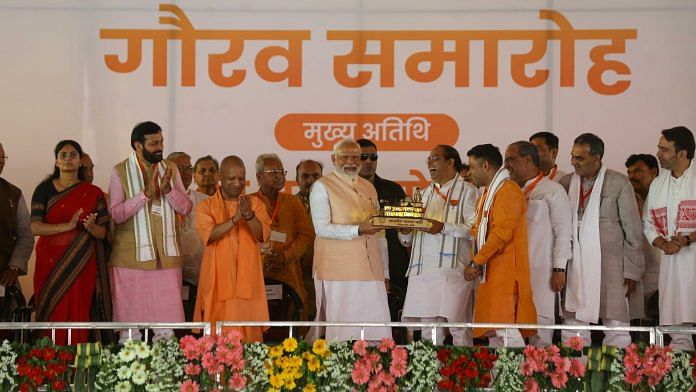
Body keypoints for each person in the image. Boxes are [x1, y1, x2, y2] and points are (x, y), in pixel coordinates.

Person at [558, 133, 645, 348]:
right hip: (575, 265)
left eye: (579, 158)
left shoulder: (618, 183)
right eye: (572, 156)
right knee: (573, 324)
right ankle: (574, 376)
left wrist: (632, 271)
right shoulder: (567, 182)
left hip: (611, 267)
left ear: (597, 159)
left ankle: (616, 378)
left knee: (616, 325)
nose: (573, 162)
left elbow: (633, 231)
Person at [108, 121, 192, 343]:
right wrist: (144, 195)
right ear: (138, 145)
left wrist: (169, 192)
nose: (159, 147)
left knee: (166, 330)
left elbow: (186, 207)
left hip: (165, 258)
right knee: (130, 333)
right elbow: (116, 214)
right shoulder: (120, 171)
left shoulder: (170, 169)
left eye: (161, 142)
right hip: (130, 261)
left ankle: (164, 374)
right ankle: (130, 374)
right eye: (154, 143)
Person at [307, 139, 391, 342]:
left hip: (372, 271)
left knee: (377, 332)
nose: (351, 161)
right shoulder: (322, 186)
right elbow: (321, 228)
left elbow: (379, 233)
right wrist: (357, 229)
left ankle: (376, 372)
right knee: (344, 334)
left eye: (355, 156)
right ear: (333, 158)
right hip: (339, 271)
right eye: (345, 156)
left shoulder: (369, 187)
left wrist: (385, 272)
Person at [398, 145, 478, 346]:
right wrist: (405, 231)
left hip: (454, 272)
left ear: (451, 162)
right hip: (424, 272)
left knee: (458, 326)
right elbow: (408, 240)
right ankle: (430, 375)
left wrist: (443, 227)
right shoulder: (423, 194)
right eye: (428, 160)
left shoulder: (469, 192)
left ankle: (463, 373)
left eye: (435, 159)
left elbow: (474, 230)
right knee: (428, 329)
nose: (429, 164)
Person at [30, 140, 109, 345]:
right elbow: (35, 227)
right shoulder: (44, 189)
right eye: (63, 155)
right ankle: (49, 365)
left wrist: (91, 227)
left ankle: (77, 366)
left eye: (73, 155)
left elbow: (105, 233)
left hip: (81, 264)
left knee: (79, 310)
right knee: (50, 309)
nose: (67, 159)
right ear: (56, 161)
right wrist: (68, 225)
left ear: (79, 161)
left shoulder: (93, 192)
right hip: (50, 263)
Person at [464, 144, 537, 347]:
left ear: (485, 165)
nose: (469, 173)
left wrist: (476, 261)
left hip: (506, 276)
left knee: (507, 332)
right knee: (496, 334)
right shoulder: (489, 194)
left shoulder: (508, 191)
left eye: (472, 167)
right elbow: (480, 232)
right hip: (493, 274)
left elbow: (501, 233)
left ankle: (516, 378)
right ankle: (501, 378)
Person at [194, 156, 271, 341]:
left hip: (248, 279)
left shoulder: (255, 204)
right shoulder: (205, 206)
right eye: (231, 179)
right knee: (217, 336)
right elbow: (210, 235)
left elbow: (262, 235)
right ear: (220, 176)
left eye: (241, 178)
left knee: (249, 333)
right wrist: (236, 219)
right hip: (217, 279)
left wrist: (249, 215)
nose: (238, 183)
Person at [504, 141, 572, 346]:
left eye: (510, 160)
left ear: (527, 160)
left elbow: (563, 232)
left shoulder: (553, 190)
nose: (506, 165)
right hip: (510, 273)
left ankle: (540, 376)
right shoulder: (506, 191)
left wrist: (559, 268)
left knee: (540, 332)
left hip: (541, 273)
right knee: (508, 331)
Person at [643, 126, 696, 350]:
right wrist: (663, 243)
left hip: (692, 259)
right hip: (672, 266)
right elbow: (647, 223)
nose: (658, 154)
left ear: (682, 154)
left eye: (664, 149)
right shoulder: (658, 184)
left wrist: (687, 239)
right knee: (677, 331)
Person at [252, 153, 314, 319]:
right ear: (259, 177)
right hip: (256, 272)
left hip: (288, 270)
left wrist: (285, 256)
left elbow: (307, 235)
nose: (279, 176)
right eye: (273, 172)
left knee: (295, 311)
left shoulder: (293, 202)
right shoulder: (248, 202)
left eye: (282, 172)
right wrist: (264, 259)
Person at [357, 138, 410, 293]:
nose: (368, 162)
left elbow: (406, 226)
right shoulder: (346, 191)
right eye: (363, 157)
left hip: (395, 261)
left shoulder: (393, 189)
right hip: (360, 261)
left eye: (373, 157)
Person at [625, 153, 661, 322]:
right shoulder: (628, 199)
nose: (632, 176)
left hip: (665, 269)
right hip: (638, 271)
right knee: (640, 319)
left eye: (638, 171)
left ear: (653, 172)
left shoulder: (664, 197)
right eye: (629, 172)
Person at [0, 143, 34, 312]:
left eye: (2, 157)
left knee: (6, 334)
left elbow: (26, 235)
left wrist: (14, 267)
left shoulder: (13, 193)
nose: (0, 161)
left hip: (4, 275)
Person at [168, 152, 208, 286]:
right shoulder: (158, 201)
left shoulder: (205, 201)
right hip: (168, 274)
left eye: (189, 168)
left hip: (199, 276)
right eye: (180, 168)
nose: (185, 172)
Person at [294, 159, 323, 319]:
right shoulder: (288, 205)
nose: (310, 180)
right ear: (297, 179)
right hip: (296, 277)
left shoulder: (333, 205)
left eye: (315, 176)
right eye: (305, 176)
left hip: (325, 275)